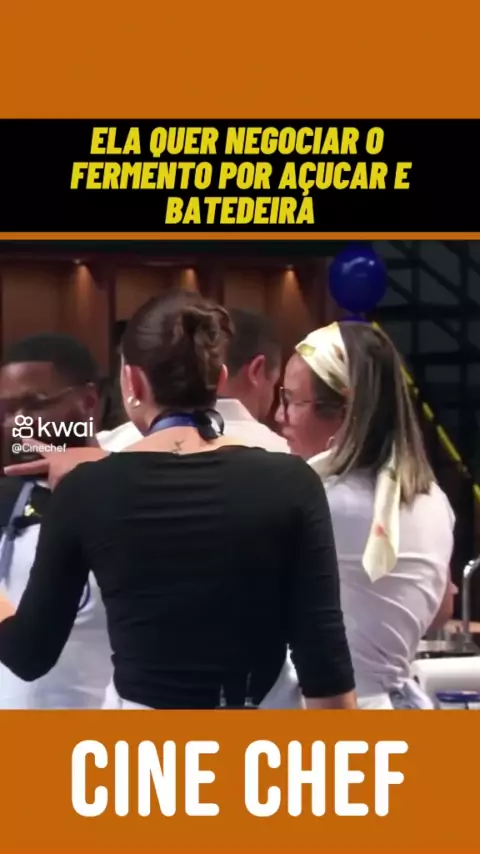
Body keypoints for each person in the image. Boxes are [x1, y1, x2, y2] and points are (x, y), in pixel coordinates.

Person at [0, 291, 356, 710]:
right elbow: (325, 667)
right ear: (219, 380)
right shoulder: (292, 481)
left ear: (132, 383)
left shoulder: (86, 489)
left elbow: (29, 654)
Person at [276, 320, 455, 709]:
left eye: (291, 400)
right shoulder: (434, 500)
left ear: (345, 410)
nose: (279, 414)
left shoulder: (315, 499)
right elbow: (442, 608)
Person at [0, 333, 112, 708]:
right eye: (6, 410)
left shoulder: (132, 494)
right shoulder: (7, 498)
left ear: (89, 401)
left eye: (34, 405)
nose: (17, 423)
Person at [96, 307, 289, 453]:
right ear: (256, 370)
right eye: (275, 386)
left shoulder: (105, 447)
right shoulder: (285, 455)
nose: (279, 414)